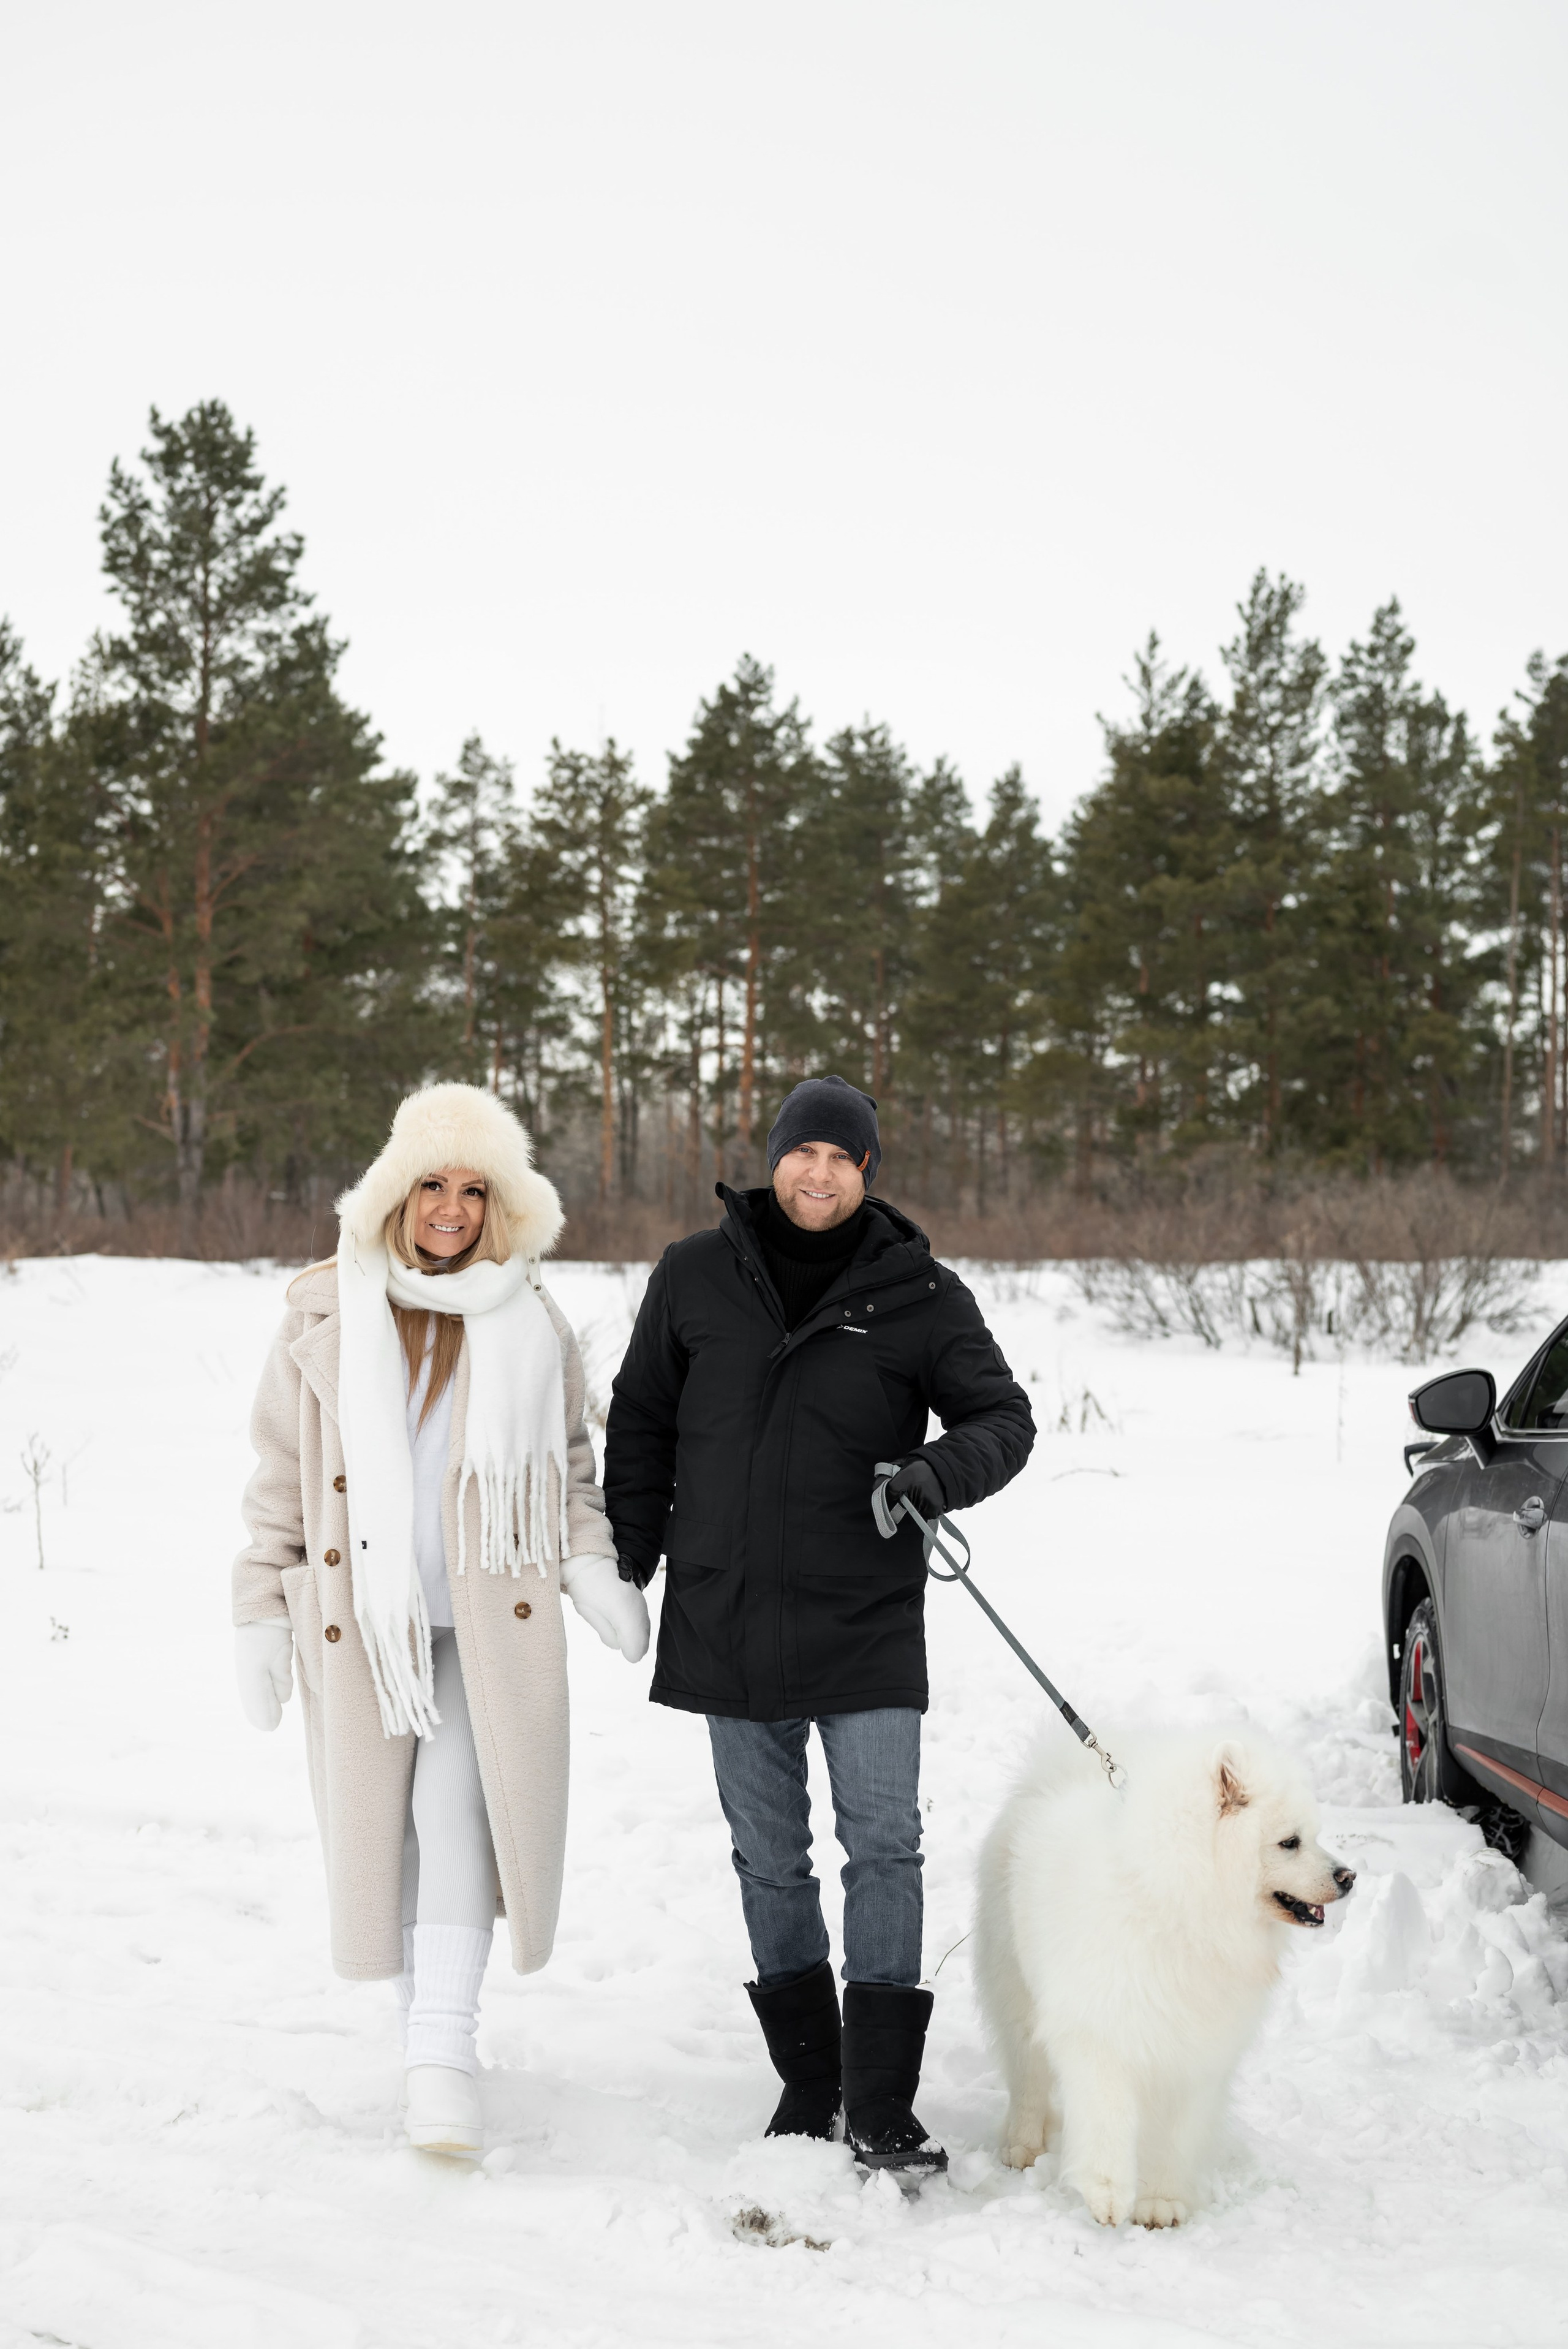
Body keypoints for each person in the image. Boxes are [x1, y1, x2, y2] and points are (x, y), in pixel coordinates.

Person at [603, 1073, 1035, 2173]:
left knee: (884, 1847)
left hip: (865, 1616)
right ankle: (810, 2082)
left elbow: (1004, 1416)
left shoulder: (920, 1293)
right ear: (776, 1156)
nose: (821, 1172)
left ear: (868, 1174)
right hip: (724, 1608)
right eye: (807, 1152)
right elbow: (643, 1421)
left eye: (846, 1158)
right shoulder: (694, 1275)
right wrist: (627, 1564)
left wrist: (938, 1471)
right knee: (770, 1856)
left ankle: (882, 2101)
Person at [232, 1083, 649, 2157]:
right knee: (389, 1835)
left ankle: (442, 2054)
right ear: (394, 1193)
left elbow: (567, 1471)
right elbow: (280, 1479)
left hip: (485, 1626)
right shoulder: (324, 1317)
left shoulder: (530, 1322)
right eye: (432, 1183)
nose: (452, 1208)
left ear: (502, 1205)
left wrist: (589, 1565)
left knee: (456, 1809)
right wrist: (258, 1611)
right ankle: (424, 2026)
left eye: (475, 1188)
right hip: (361, 1625)